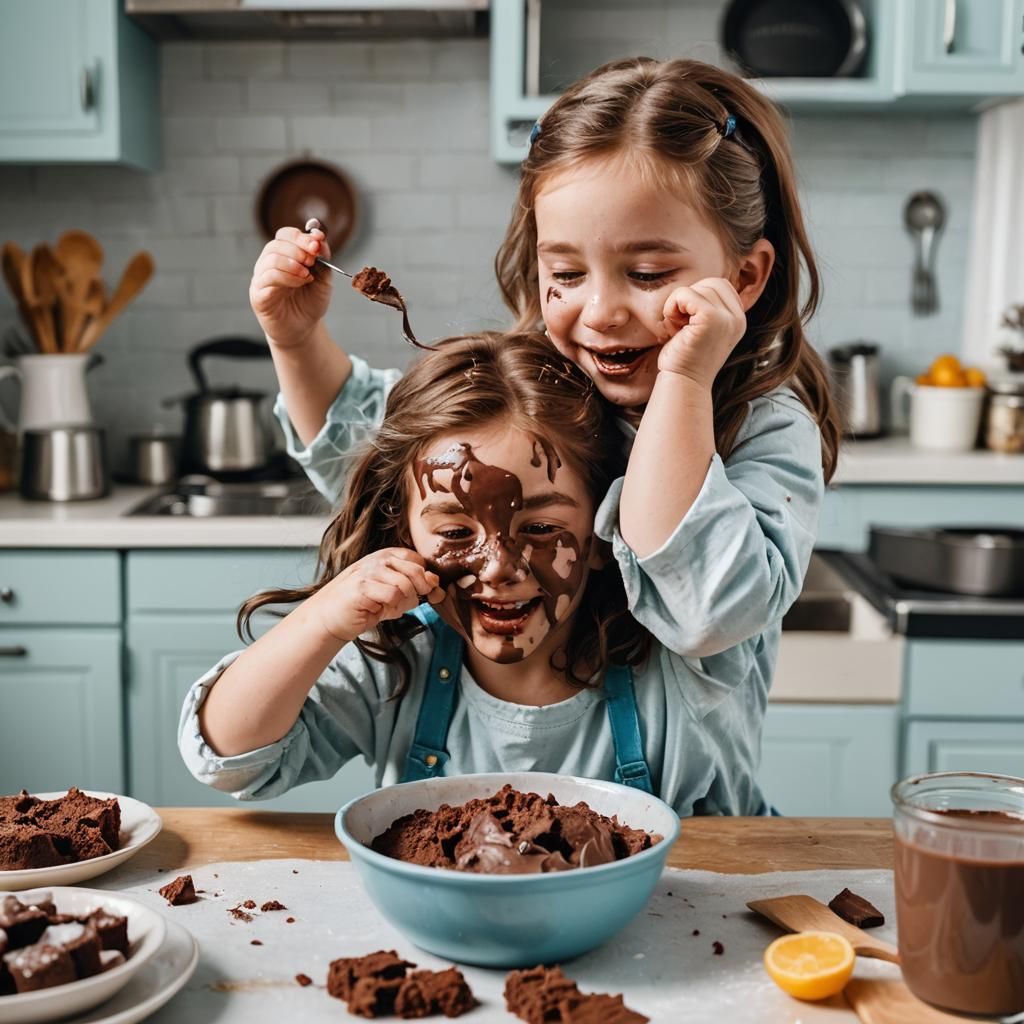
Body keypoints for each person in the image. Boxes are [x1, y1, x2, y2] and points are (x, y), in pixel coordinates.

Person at [245, 58, 843, 807]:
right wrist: (297, 343)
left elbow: (705, 610)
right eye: (565, 275)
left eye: (649, 274)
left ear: (746, 278)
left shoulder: (762, 425)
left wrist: (684, 383)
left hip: (699, 847)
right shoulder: (544, 387)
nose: (599, 312)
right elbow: (383, 455)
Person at [179, 333, 776, 816]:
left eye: (540, 530)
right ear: (403, 537)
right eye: (457, 533)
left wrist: (691, 369)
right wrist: (324, 619)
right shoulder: (397, 660)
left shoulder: (684, 663)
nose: (499, 569)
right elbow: (231, 756)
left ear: (606, 531)